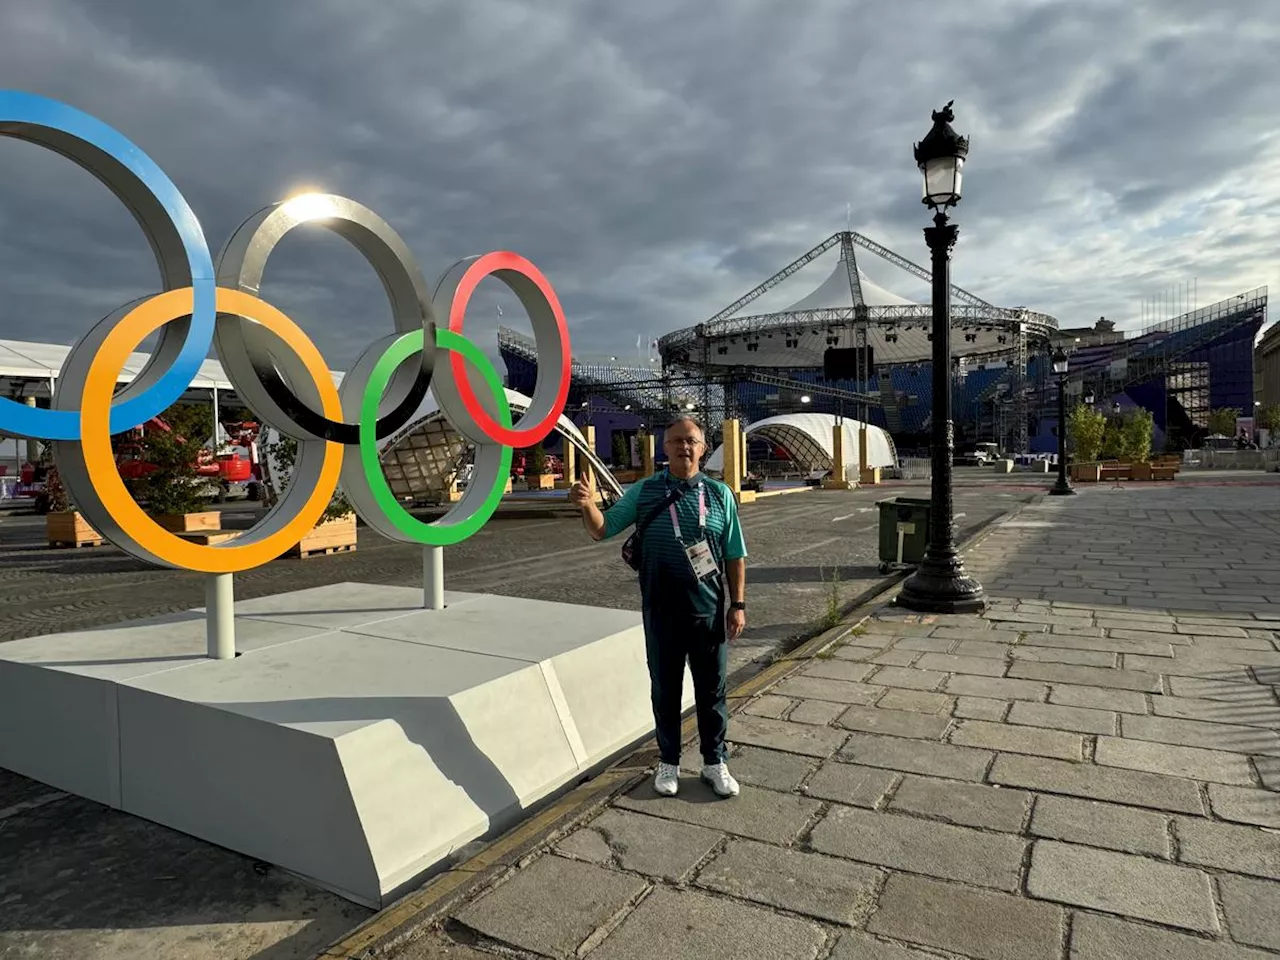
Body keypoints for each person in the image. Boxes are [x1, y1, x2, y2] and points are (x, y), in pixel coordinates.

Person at [569, 415, 747, 798]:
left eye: (692, 441)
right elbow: (604, 528)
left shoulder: (720, 495)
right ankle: (668, 762)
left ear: (703, 448)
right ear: (664, 448)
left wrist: (739, 605)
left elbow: (735, 555)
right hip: (661, 612)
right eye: (677, 440)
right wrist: (587, 505)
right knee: (665, 690)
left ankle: (715, 763)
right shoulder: (645, 492)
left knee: (712, 693)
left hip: (709, 612)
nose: (684, 446)